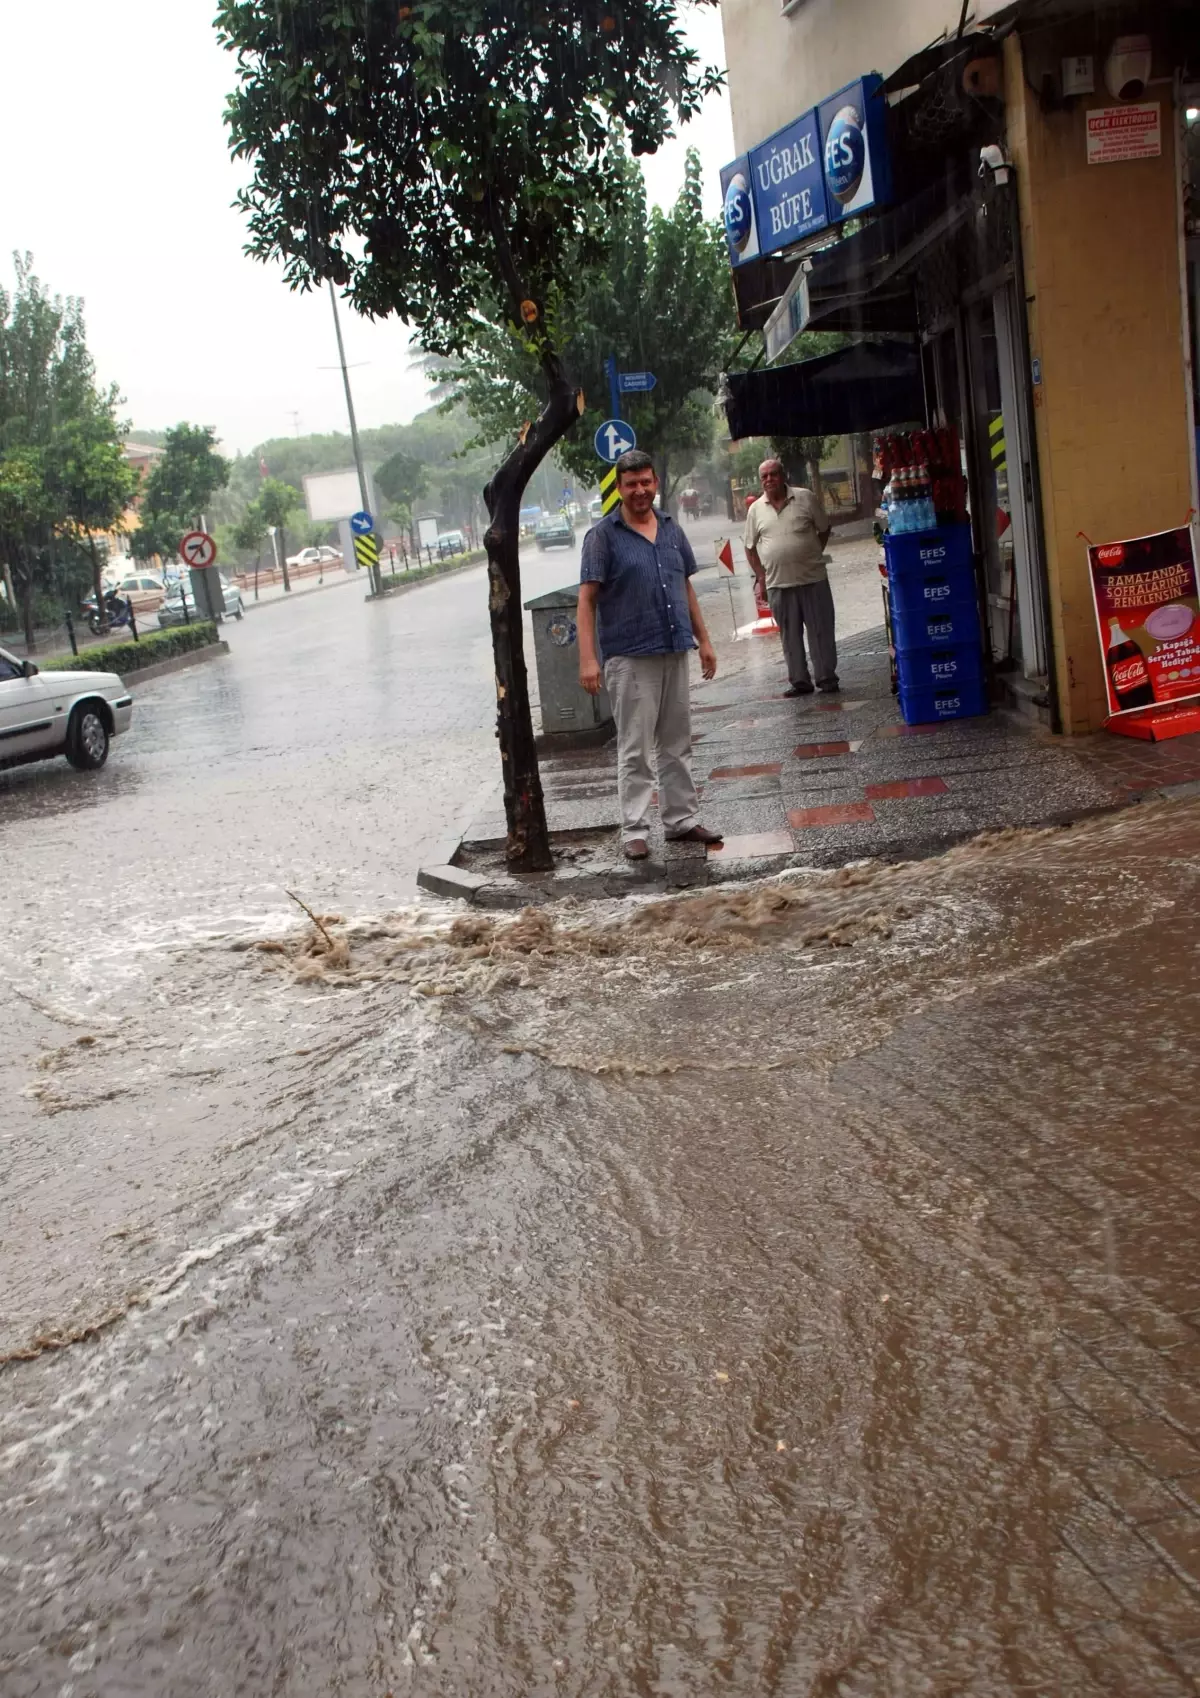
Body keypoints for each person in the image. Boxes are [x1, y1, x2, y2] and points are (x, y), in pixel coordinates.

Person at [577, 449, 723, 862]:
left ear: (655, 482)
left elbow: (686, 588)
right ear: (619, 488)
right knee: (635, 748)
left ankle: (681, 820)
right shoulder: (602, 537)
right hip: (629, 656)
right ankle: (635, 829)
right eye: (631, 484)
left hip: (674, 649)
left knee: (677, 743)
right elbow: (586, 601)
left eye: (645, 482)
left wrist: (705, 640)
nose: (640, 490)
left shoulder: (673, 530)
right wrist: (588, 659)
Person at [743, 457, 837, 696]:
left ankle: (827, 679)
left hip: (813, 578)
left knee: (821, 632)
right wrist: (761, 577)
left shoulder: (805, 497)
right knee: (789, 636)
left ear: (783, 475)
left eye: (773, 474)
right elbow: (749, 547)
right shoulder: (756, 510)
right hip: (778, 584)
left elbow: (824, 529)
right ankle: (799, 682)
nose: (769, 480)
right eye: (764, 476)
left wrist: (812, 553)